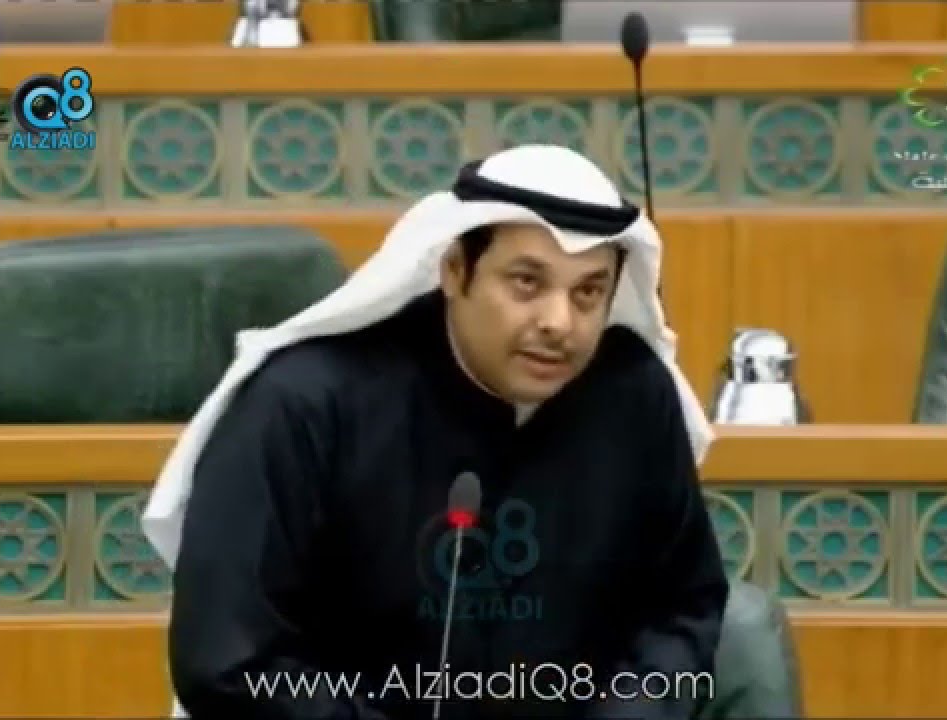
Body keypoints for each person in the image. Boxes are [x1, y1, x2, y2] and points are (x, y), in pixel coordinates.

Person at [143, 144, 729, 720]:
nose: (559, 323)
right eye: (527, 283)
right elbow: (228, 662)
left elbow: (682, 609)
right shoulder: (306, 404)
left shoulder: (633, 399)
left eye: (588, 293)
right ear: (454, 270)